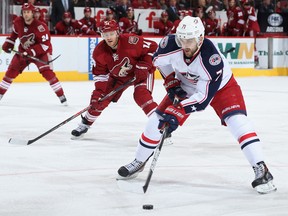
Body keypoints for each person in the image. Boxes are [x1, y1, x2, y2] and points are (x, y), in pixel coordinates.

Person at [117, 16, 277, 194]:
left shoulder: (211, 58)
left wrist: (175, 113)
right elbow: (159, 62)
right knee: (155, 121)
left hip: (221, 87)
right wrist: (170, 81)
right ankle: (139, 161)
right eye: (182, 39)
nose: (184, 44)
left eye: (190, 40)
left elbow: (202, 99)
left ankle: (261, 169)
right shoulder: (170, 44)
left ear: (200, 38)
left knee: (238, 121)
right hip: (185, 85)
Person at [71, 20, 158, 139]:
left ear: (117, 32)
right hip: (118, 77)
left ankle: (161, 126)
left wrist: (144, 65)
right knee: (100, 100)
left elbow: (153, 47)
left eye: (111, 33)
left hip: (140, 73)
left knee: (141, 96)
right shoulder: (99, 52)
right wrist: (98, 93)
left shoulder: (131, 41)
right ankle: (85, 123)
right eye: (105, 34)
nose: (109, 37)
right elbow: (101, 75)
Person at [0, 3, 67, 105]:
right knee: (10, 72)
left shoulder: (41, 27)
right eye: (24, 12)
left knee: (47, 73)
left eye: (28, 12)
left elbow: (45, 45)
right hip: (23, 52)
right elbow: (14, 34)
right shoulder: (18, 22)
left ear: (32, 13)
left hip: (40, 53)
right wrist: (8, 43)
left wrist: (31, 52)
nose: (26, 14)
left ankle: (61, 96)